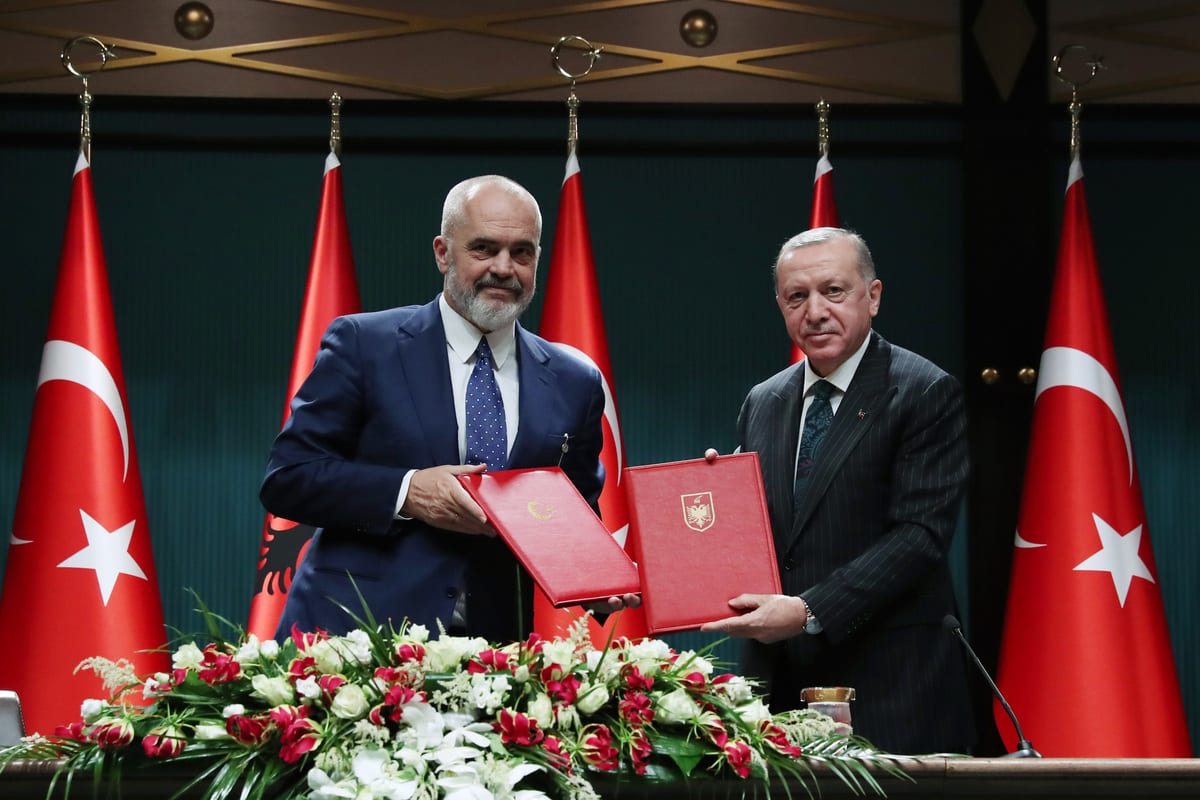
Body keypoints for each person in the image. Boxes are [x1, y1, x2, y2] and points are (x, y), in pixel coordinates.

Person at [261, 174, 637, 643]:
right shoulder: (364, 344)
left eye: (522, 252)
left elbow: (572, 510)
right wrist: (407, 492)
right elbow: (288, 479)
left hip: (496, 659)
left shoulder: (574, 380)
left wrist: (598, 578)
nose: (504, 268)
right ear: (442, 252)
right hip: (354, 644)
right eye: (484, 248)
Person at [701, 227, 974, 755]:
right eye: (797, 297)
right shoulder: (764, 401)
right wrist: (722, 503)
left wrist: (807, 610)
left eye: (834, 291)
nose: (816, 311)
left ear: (872, 296)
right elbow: (769, 533)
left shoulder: (923, 391)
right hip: (778, 691)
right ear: (780, 305)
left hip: (892, 685)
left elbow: (919, 537)